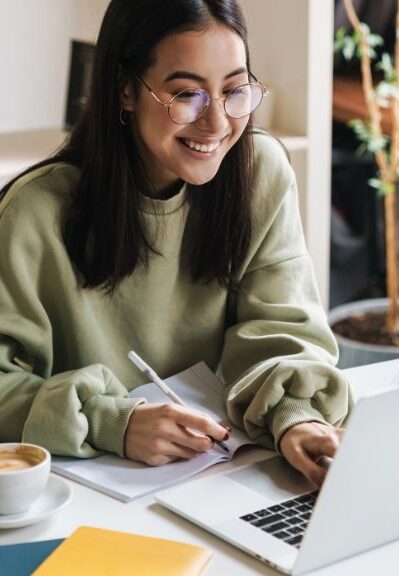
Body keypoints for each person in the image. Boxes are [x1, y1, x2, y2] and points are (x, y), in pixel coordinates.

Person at [0, 0, 352, 488]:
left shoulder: (260, 173)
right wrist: (111, 422)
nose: (218, 124)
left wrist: (297, 415)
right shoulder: (35, 212)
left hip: (231, 473)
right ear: (126, 91)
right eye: (187, 94)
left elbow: (283, 328)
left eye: (234, 91)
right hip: (88, 494)